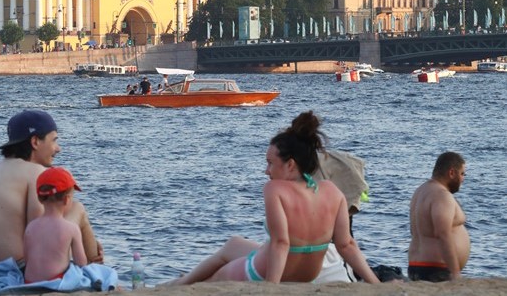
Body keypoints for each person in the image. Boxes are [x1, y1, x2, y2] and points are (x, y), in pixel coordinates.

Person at [165, 112, 379, 284]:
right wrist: (375, 283)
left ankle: (180, 285)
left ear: (291, 165)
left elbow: (281, 242)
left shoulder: (274, 189)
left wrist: (271, 288)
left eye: (270, 163)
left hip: (273, 271)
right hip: (308, 275)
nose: (266, 171)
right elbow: (347, 245)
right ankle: (181, 282)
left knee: (216, 278)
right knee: (234, 244)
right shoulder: (332, 190)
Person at [0, 110, 102, 295]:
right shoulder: (35, 172)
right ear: (35, 141)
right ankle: (94, 268)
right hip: (18, 276)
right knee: (77, 208)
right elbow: (44, 238)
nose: (58, 148)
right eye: (54, 140)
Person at [408, 151, 469, 282]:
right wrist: (455, 273)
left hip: (416, 266)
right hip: (435, 269)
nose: (463, 178)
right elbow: (442, 233)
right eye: (462, 173)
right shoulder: (442, 196)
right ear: (452, 173)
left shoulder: (420, 192)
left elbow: (414, 231)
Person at [23, 167, 88, 283]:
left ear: (39, 199)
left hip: (29, 282)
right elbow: (82, 264)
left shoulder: (30, 227)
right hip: (55, 282)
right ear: (67, 200)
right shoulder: (71, 228)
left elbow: (28, 261)